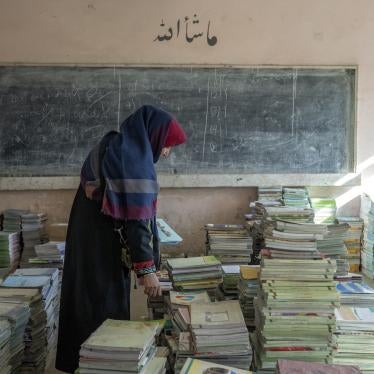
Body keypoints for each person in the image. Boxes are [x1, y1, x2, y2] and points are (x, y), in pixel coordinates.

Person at [55, 105, 187, 373]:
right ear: (154, 136)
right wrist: (147, 270)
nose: (166, 152)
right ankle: (104, 365)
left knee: (84, 302)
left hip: (87, 237)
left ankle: (83, 363)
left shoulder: (116, 145)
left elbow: (127, 209)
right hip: (102, 245)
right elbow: (136, 220)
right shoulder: (134, 160)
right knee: (104, 310)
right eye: (166, 144)